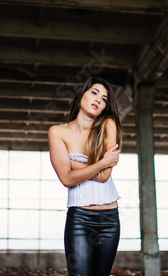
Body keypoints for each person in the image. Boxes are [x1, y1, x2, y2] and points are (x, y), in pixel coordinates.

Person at [48, 76, 124, 276]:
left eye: (104, 99)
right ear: (82, 94)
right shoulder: (57, 132)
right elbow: (66, 179)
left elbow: (104, 176)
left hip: (109, 220)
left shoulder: (108, 125)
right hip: (79, 218)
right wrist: (102, 162)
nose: (99, 99)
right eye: (94, 92)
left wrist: (71, 163)